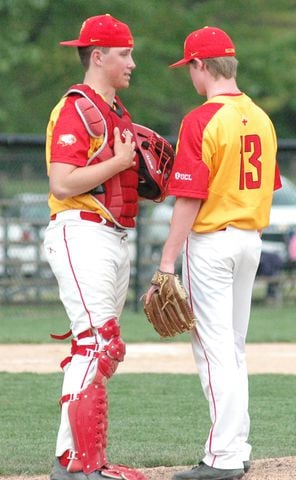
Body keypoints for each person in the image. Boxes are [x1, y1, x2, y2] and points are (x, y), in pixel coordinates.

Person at [148, 27, 280, 480]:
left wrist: (168, 259)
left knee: (214, 351)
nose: (191, 76)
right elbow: (267, 183)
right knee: (234, 347)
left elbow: (189, 198)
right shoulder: (261, 117)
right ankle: (237, 446)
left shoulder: (202, 119)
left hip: (213, 242)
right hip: (250, 241)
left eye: (190, 68)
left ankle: (223, 457)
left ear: (201, 66)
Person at [43, 14, 147, 480]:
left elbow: (115, 179)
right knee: (95, 344)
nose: (132, 62)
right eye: (124, 53)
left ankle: (76, 459)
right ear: (98, 56)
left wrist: (140, 174)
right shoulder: (78, 108)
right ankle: (81, 464)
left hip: (110, 235)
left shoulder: (116, 110)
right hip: (80, 231)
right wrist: (121, 161)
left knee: (103, 349)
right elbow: (62, 182)